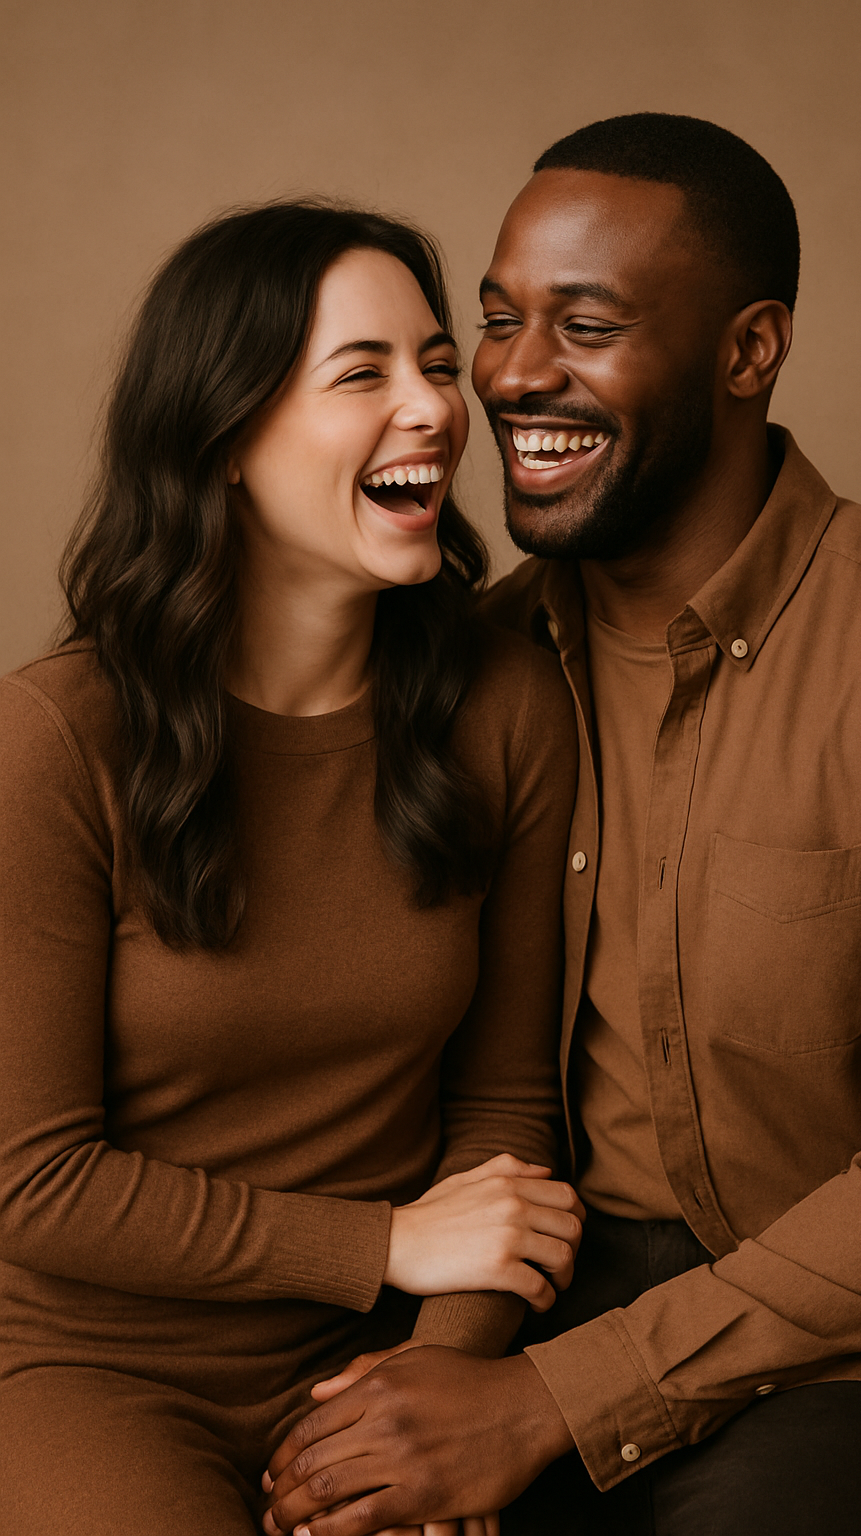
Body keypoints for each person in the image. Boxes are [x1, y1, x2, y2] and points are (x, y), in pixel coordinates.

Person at [263, 115, 861, 1536]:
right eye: (496, 320)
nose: (511, 374)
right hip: (536, 1293)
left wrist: (555, 1403)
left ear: (749, 353)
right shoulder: (470, 671)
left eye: (587, 325)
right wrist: (450, 1382)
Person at [0, 199, 585, 1536]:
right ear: (225, 442)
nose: (437, 408)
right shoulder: (52, 741)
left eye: (437, 362)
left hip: (369, 1359)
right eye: (363, 373)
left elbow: (502, 1114)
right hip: (90, 1368)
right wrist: (377, 1242)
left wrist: (436, 1384)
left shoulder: (503, 708)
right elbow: (26, 1183)